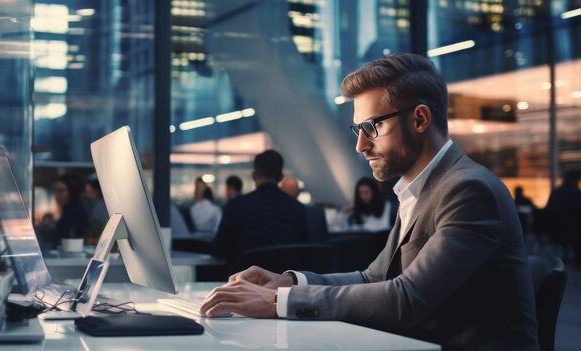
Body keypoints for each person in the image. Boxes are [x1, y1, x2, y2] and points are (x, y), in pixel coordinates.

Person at [200, 53, 538, 350]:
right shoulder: (420, 189)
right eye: (357, 128)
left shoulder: (468, 189)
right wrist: (288, 282)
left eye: (372, 126)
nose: (361, 145)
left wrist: (277, 301)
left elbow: (407, 298)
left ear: (419, 119)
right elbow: (372, 279)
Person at [211, 150, 307, 267]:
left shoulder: (236, 205)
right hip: (284, 282)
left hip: (245, 280)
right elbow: (303, 251)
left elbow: (219, 251)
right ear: (281, 177)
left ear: (253, 176)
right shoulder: (297, 208)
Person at [545, 171, 581, 261]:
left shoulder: (556, 192)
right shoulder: (575, 193)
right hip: (571, 227)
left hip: (555, 227)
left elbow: (548, 210)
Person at [53, 173, 88, 246]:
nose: (57, 194)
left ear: (72, 191)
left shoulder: (76, 212)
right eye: (55, 190)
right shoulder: (67, 209)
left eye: (61, 190)